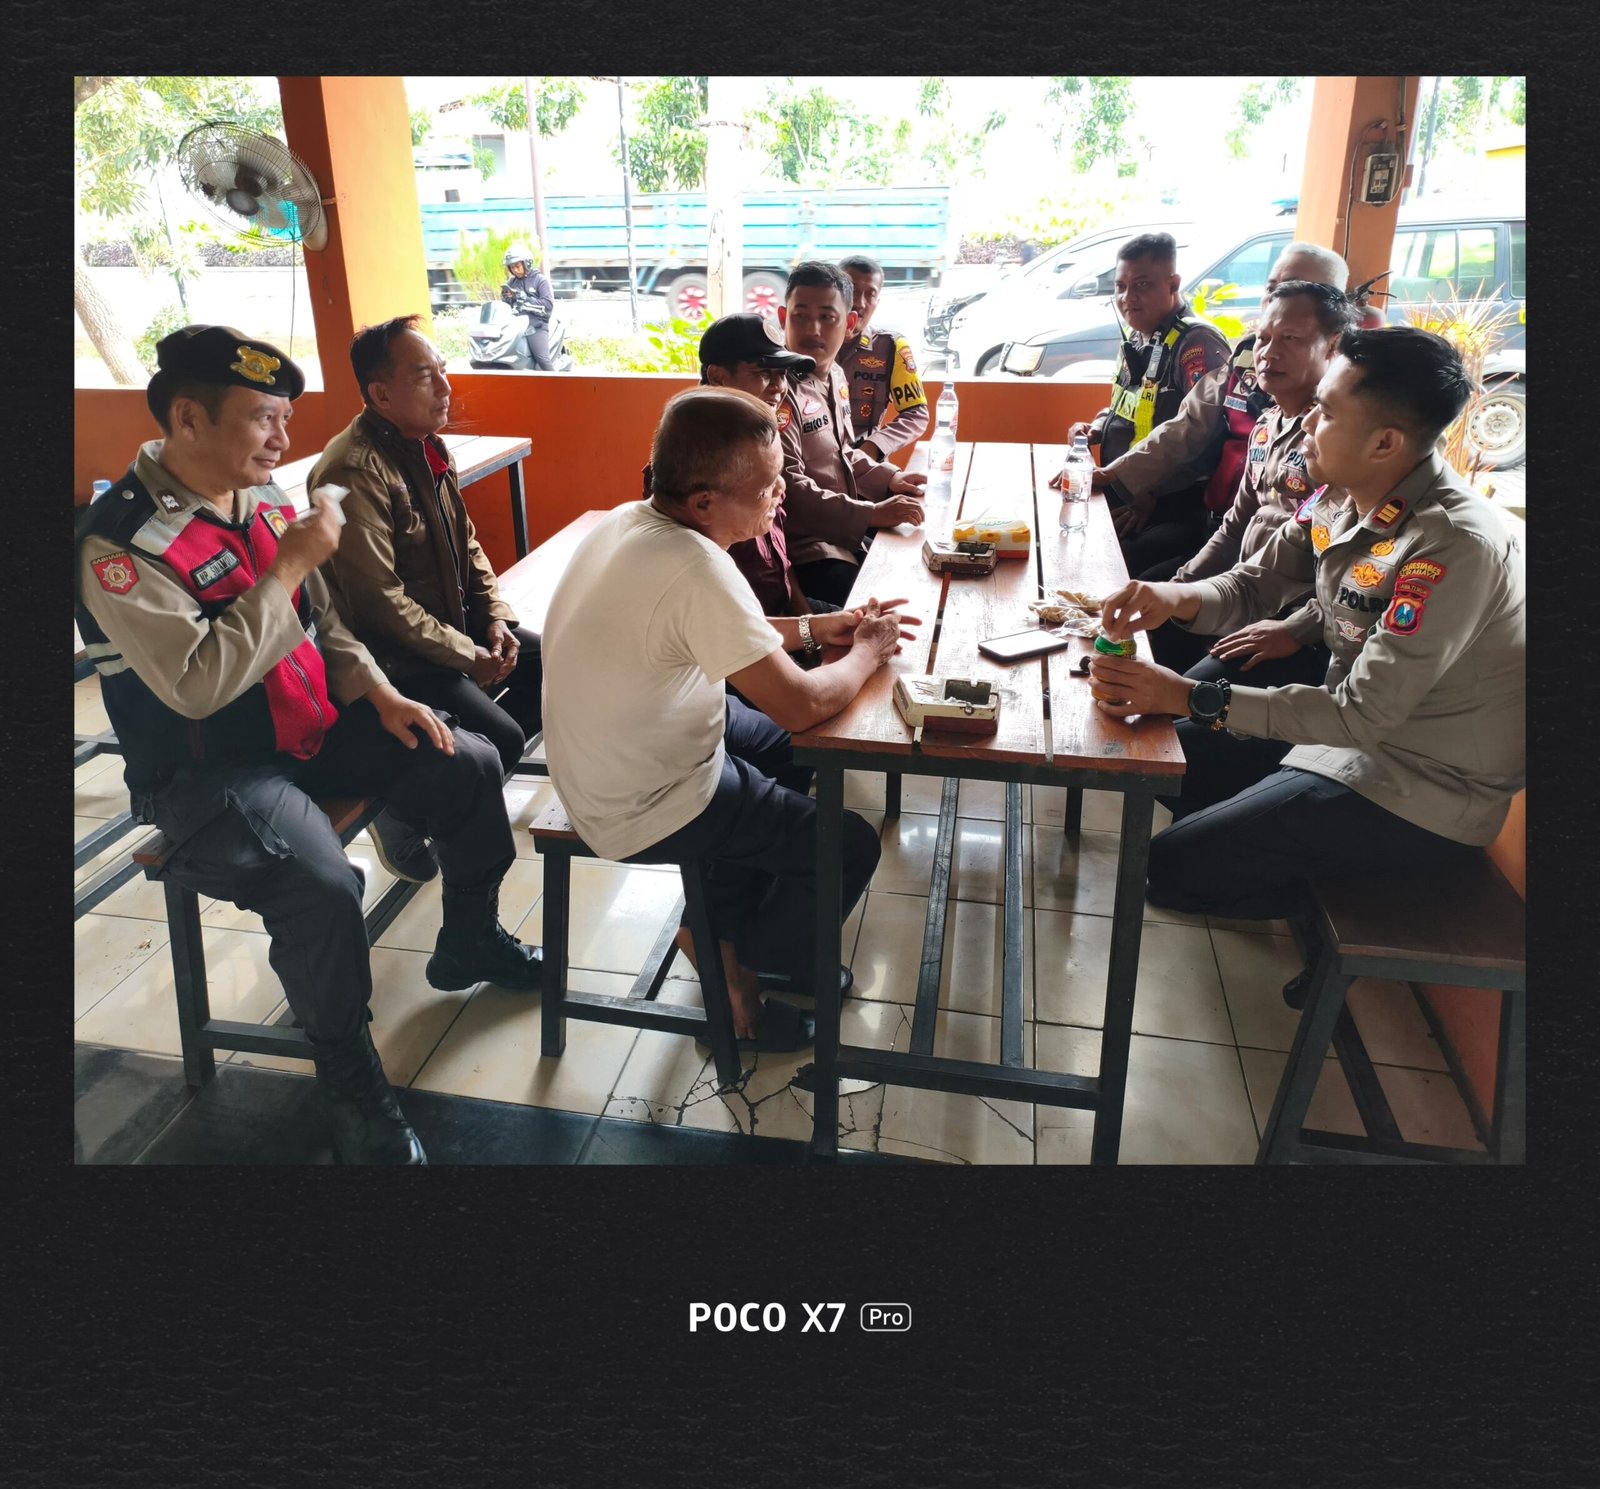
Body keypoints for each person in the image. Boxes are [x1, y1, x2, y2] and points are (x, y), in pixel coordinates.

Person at [74, 326, 547, 1164]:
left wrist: (382, 692)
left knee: (467, 758)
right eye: (263, 418)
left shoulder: (255, 493)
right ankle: (349, 1076)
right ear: (188, 418)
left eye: (285, 418)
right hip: (206, 769)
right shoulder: (121, 543)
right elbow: (196, 684)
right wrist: (286, 567)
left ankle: (469, 935)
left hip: (304, 723)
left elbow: (322, 621)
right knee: (322, 884)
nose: (282, 438)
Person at [1088, 327, 1524, 997]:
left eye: (1327, 410)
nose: (1309, 423)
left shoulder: (1453, 546)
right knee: (1160, 765)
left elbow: (1362, 715)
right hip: (1341, 738)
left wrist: (1187, 694)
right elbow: (1254, 584)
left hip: (1418, 786)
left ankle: (1340, 917)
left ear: (1386, 442)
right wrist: (1168, 598)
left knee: (1170, 865)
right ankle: (1277, 825)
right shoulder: (1343, 493)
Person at [541, 388, 920, 1051]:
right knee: (847, 845)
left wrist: (820, 627)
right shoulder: (696, 565)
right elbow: (803, 703)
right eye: (767, 486)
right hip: (640, 800)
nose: (781, 494)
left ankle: (713, 920)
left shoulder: (632, 520)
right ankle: (747, 961)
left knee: (788, 753)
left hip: (605, 758)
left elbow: (717, 627)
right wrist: (867, 651)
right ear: (705, 503)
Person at [311, 316, 541, 822]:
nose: (445, 387)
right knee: (503, 739)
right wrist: (465, 655)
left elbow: (467, 541)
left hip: (447, 625)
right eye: (423, 376)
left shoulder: (426, 445)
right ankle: (411, 813)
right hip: (395, 657)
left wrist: (495, 617)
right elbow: (378, 603)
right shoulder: (353, 470)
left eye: (442, 369)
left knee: (553, 666)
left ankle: (447, 779)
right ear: (381, 395)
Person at [1053, 242, 1350, 580]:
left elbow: (1302, 557)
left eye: (1294, 288)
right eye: (1272, 288)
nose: (1277, 299)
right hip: (1226, 524)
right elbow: (1189, 421)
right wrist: (1115, 472)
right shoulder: (1248, 360)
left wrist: (1145, 491)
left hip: (1257, 549)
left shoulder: (1341, 412)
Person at [1148, 279, 1356, 684]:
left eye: (1290, 339)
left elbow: (1350, 567)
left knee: (1185, 698)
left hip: (1295, 623)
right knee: (1149, 629)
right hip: (1246, 594)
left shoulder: (1337, 441)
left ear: (1332, 347)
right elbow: (1234, 528)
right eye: (1263, 338)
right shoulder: (1265, 426)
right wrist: (1177, 588)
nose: (1268, 353)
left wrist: (1299, 627)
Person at [1066, 232, 1230, 577]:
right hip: (1128, 490)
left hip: (1171, 503)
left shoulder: (1197, 343)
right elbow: (1135, 405)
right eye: (1120, 286)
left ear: (1173, 284)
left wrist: (1147, 489)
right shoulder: (1142, 336)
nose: (1128, 298)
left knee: (1102, 565)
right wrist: (1098, 426)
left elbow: (1200, 430)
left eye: (1142, 285)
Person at [775, 261, 929, 608]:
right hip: (806, 551)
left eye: (827, 317)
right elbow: (789, 487)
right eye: (801, 316)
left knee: (916, 561)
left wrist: (891, 478)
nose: (813, 329)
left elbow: (844, 453)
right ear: (784, 318)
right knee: (890, 603)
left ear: (848, 324)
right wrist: (871, 514)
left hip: (843, 537)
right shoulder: (777, 389)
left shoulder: (836, 376)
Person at [697, 312, 820, 623]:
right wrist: (809, 636)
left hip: (784, 618)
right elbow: (713, 610)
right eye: (764, 373)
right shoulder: (690, 465)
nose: (779, 387)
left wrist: (806, 622)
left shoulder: (760, 443)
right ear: (718, 377)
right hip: (743, 631)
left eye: (783, 375)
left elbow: (781, 562)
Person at [835, 254, 931, 460]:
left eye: (869, 294)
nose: (859, 303)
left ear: (877, 303)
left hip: (866, 462)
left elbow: (916, 413)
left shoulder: (891, 347)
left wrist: (874, 446)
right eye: (852, 290)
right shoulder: (808, 343)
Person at [499, 241, 557, 371]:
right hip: (515, 326)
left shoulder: (540, 280)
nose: (515, 270)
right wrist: (507, 298)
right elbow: (506, 307)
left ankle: (557, 382)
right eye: (511, 267)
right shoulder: (511, 282)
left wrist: (525, 298)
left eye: (517, 266)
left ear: (527, 263)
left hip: (535, 325)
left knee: (542, 359)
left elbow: (548, 305)